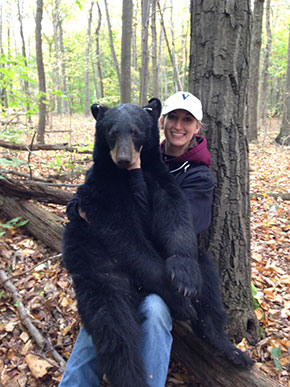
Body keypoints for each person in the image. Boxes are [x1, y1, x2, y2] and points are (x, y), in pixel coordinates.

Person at [59, 91, 215, 387]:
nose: (178, 126)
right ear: (161, 121)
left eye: (187, 120)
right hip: (125, 264)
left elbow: (165, 228)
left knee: (155, 313)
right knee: (103, 320)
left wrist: (134, 175)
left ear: (197, 127)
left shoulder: (197, 176)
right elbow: (91, 198)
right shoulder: (145, 149)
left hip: (161, 271)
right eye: (173, 118)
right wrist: (78, 208)